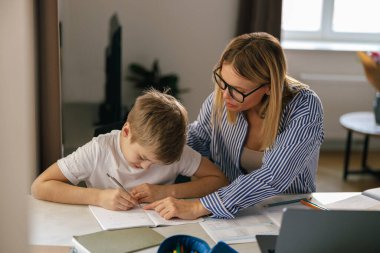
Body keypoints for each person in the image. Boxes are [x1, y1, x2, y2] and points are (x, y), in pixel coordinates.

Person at [145, 32, 324, 219]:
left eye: (238, 90)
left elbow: (274, 176)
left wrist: (199, 206)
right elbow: (196, 139)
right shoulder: (223, 97)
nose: (225, 95)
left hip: (286, 210)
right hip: (234, 213)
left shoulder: (305, 107)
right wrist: (147, 151)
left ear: (269, 86)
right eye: (223, 81)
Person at [31, 89, 228, 211]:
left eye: (156, 163)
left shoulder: (175, 150)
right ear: (126, 131)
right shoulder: (99, 150)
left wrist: (167, 191)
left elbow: (219, 180)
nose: (145, 167)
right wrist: (98, 197)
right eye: (142, 157)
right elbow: (40, 186)